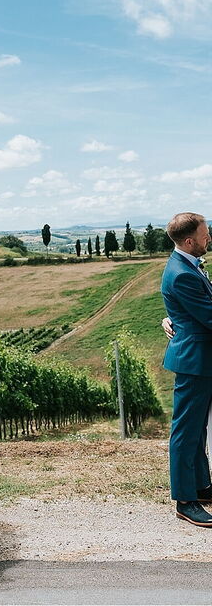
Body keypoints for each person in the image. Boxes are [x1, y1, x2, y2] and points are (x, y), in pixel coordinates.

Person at [161, 212, 212, 526]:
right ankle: (184, 500)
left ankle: (201, 485)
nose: (209, 239)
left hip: (201, 358)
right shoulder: (182, 274)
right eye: (206, 235)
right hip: (195, 361)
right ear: (190, 241)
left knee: (197, 431)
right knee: (185, 432)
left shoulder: (188, 265)